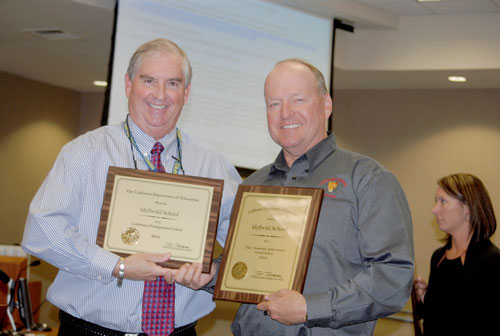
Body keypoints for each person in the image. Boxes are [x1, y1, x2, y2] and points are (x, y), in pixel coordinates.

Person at [21, 38, 241, 336]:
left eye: (173, 83)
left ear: (186, 92)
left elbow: (242, 242)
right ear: (128, 84)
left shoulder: (212, 163)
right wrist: (116, 266)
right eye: (149, 80)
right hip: (92, 332)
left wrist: (213, 271)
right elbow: (42, 230)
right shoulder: (85, 152)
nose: (160, 95)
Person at [230, 59, 414, 335]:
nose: (285, 113)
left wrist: (310, 308)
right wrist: (207, 275)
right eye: (274, 104)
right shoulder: (254, 185)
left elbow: (393, 277)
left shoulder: (368, 180)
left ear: (326, 104)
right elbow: (240, 270)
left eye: (298, 100)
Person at [413, 173, 500, 335]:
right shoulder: (438, 257)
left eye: (443, 202)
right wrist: (425, 298)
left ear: (467, 208)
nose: (434, 210)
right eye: (435, 201)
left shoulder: (491, 261)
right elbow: (442, 316)